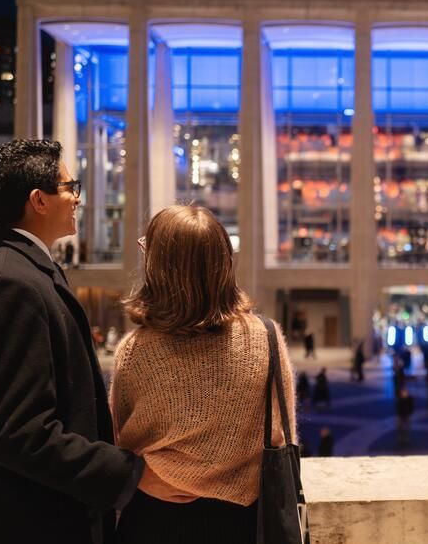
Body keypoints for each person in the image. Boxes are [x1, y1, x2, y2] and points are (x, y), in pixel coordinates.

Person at [0, 139, 143, 544]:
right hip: (29, 524)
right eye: (70, 187)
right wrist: (126, 473)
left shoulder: (7, 268)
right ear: (39, 201)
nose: (77, 198)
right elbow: (19, 432)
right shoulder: (12, 283)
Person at [110, 204, 297, 544]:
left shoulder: (136, 351)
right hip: (245, 521)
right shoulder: (266, 337)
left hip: (152, 517)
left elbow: (120, 439)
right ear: (222, 263)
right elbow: (282, 438)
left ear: (160, 267)